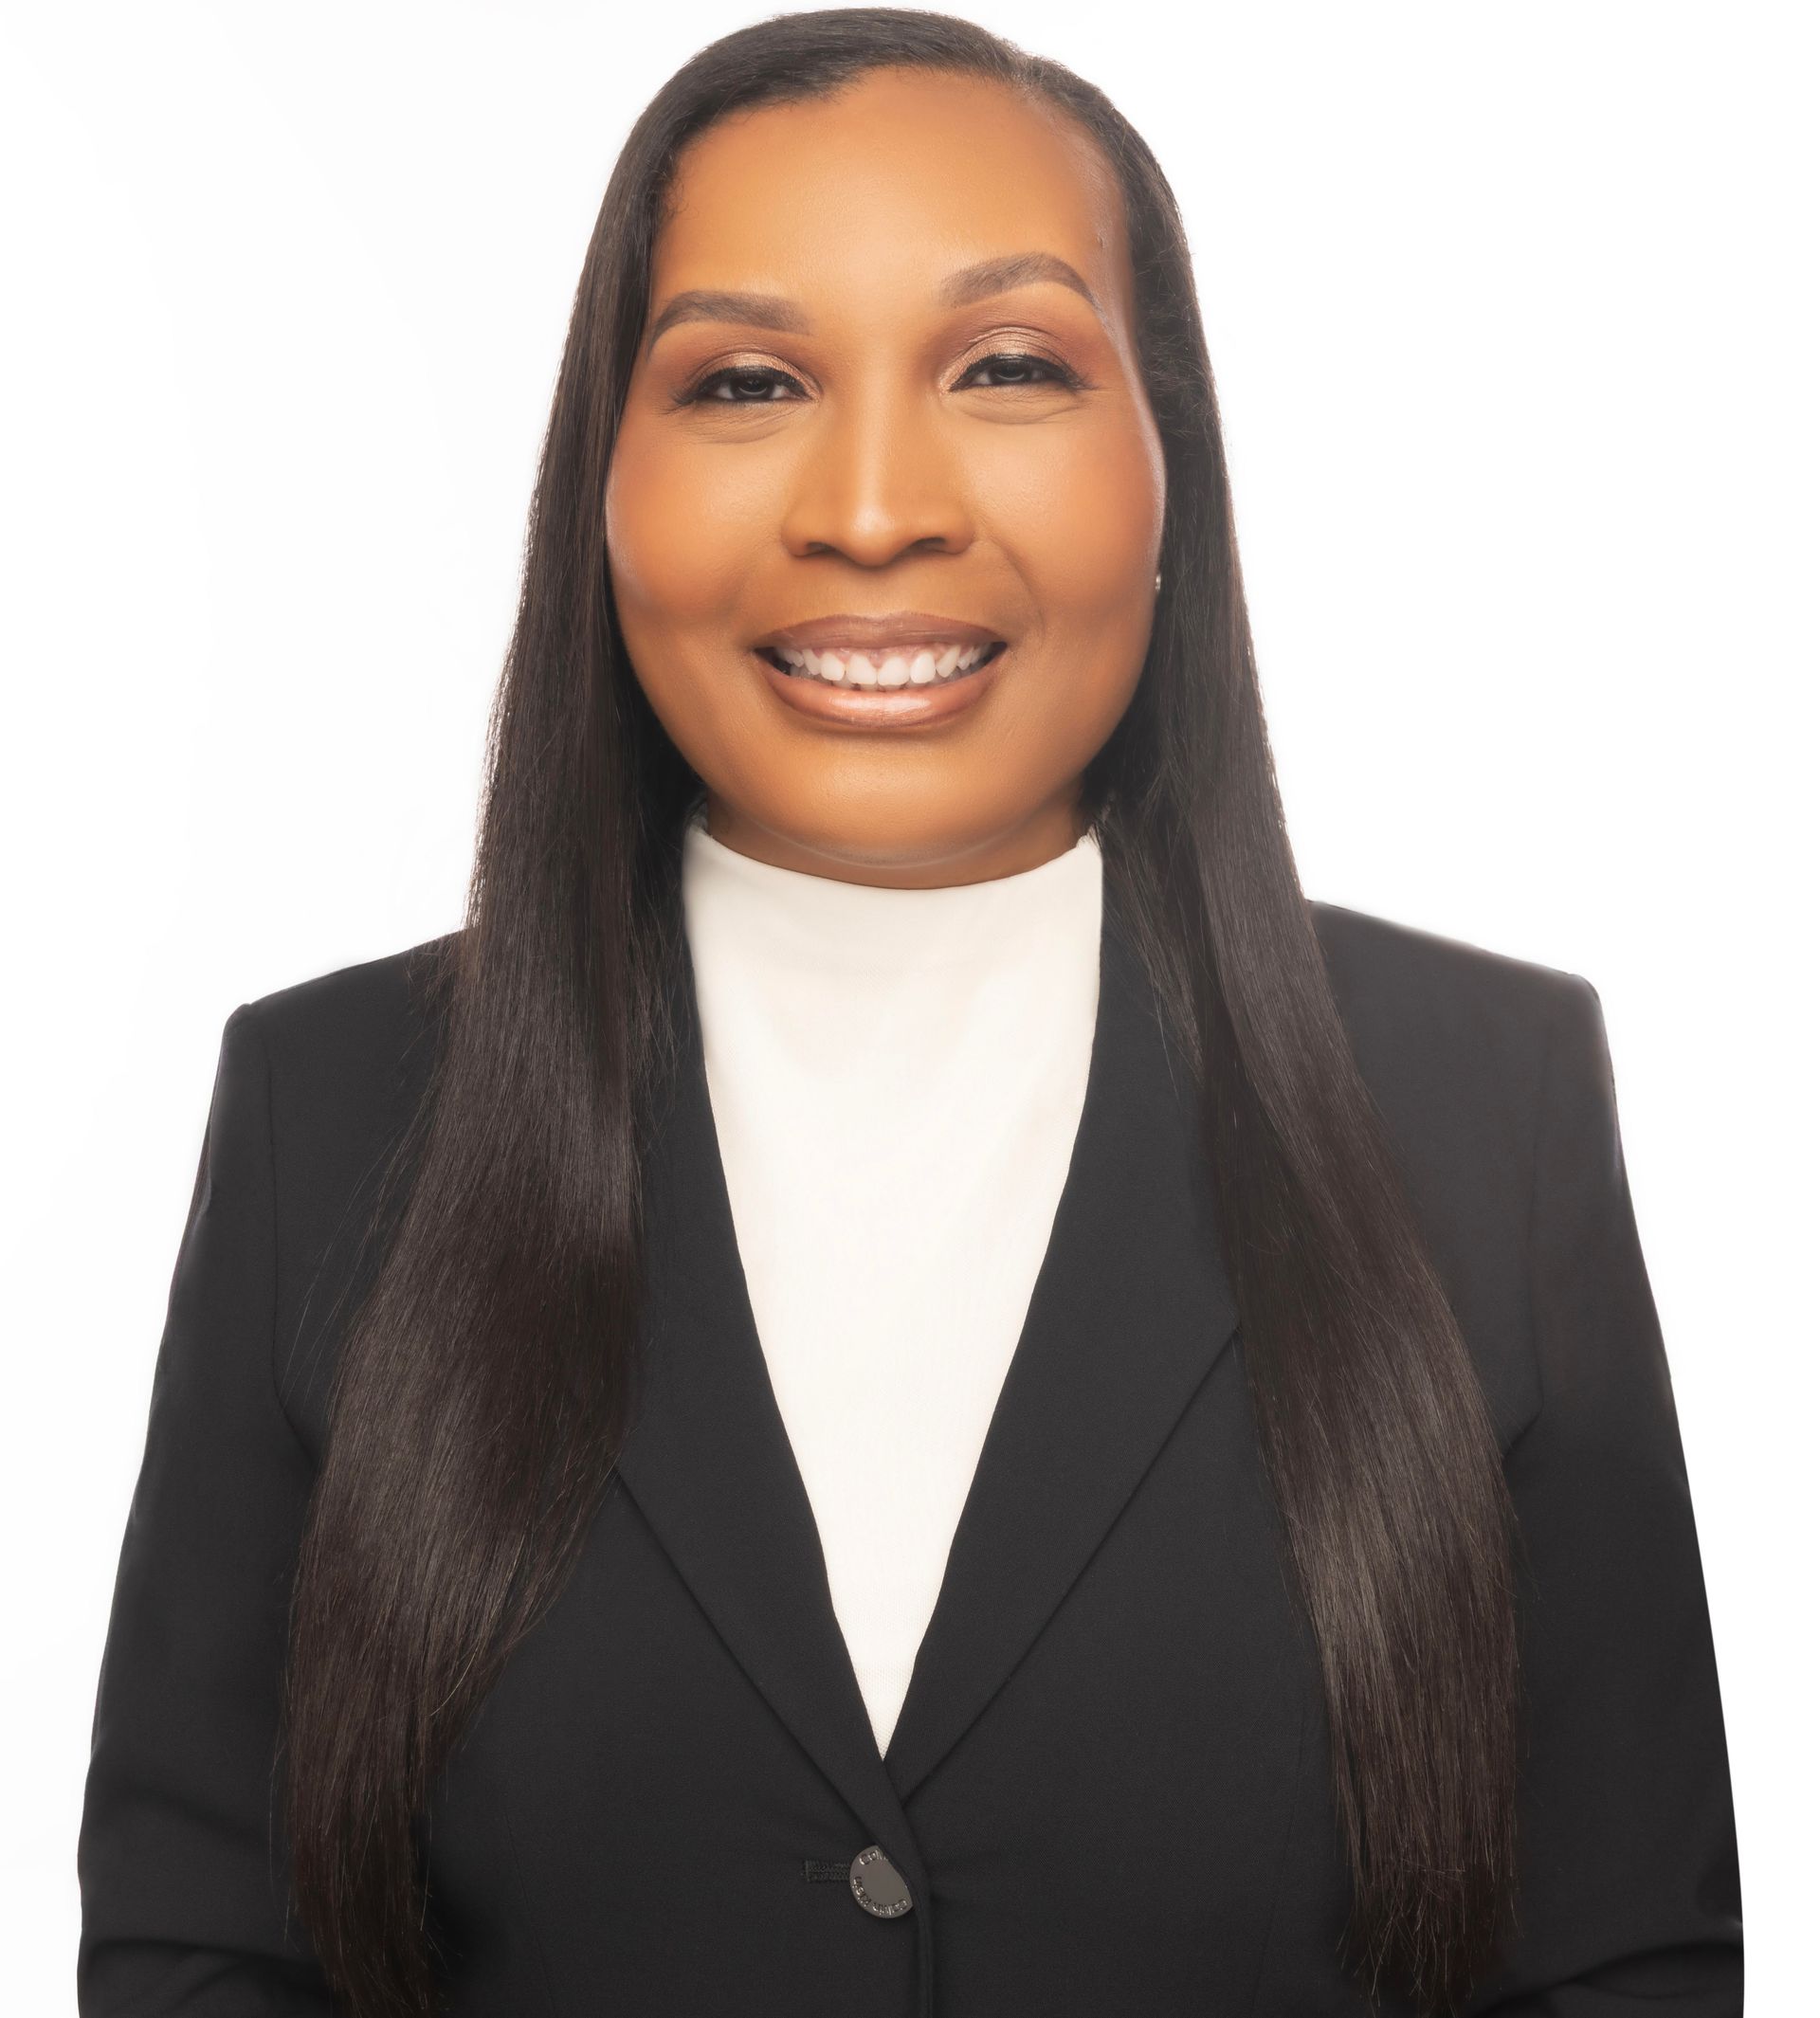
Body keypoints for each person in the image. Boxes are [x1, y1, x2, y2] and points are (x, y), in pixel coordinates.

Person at [76, 10, 1742, 2015]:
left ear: (1169, 462)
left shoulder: (1491, 1110)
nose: (875, 510)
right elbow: (206, 1957)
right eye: (749, 380)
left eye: (1012, 367)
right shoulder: (329, 1114)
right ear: (603, 477)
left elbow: (1624, 1964)